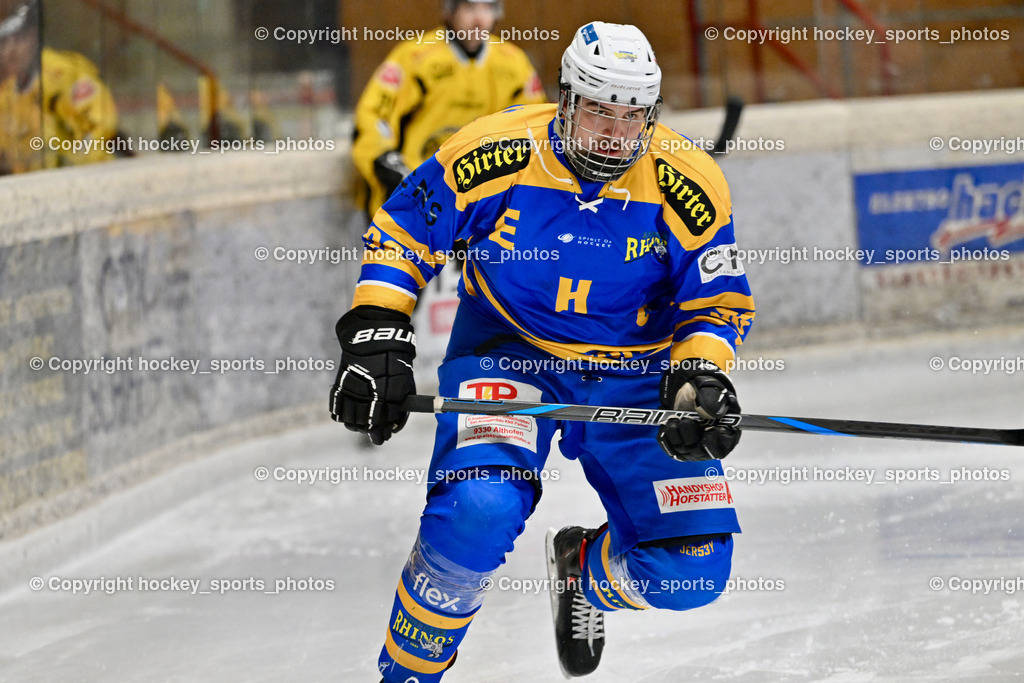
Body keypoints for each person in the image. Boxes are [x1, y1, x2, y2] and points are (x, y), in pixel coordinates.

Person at [330, 21, 755, 682]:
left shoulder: (687, 182)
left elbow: (715, 302)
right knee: (477, 509)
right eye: (598, 111)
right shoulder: (496, 149)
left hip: (637, 369)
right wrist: (377, 331)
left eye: (632, 115)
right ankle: (406, 676)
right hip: (508, 351)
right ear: (566, 100)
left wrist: (699, 380)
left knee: (692, 567)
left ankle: (584, 573)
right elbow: (406, 228)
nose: (615, 132)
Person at [350, 0, 545, 216]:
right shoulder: (414, 57)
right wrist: (387, 163)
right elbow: (373, 116)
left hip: (480, 201)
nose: (479, 19)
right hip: (414, 194)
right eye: (469, 8)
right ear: (449, 11)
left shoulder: (514, 64)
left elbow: (534, 128)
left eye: (487, 8)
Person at [0, 2, 120, 175]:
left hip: (84, 179)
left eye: (18, 39)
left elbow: (101, 122)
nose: (9, 51)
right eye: (4, 42)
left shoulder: (60, 73)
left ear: (33, 37)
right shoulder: (8, 94)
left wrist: (80, 163)